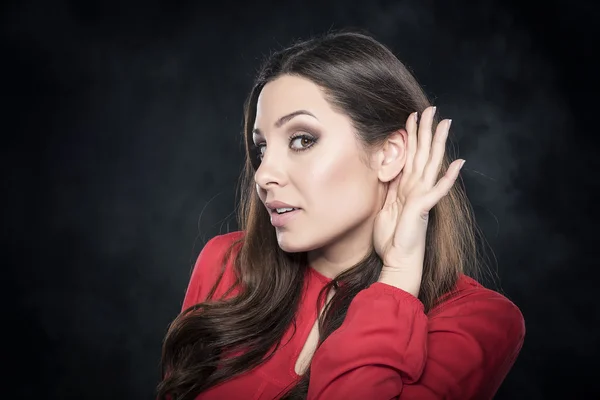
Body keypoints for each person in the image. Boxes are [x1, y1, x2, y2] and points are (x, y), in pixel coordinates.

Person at [157, 29, 525, 400]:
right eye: (262, 148)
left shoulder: (475, 322)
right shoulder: (227, 263)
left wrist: (396, 277)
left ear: (390, 153)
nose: (264, 173)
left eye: (302, 139)